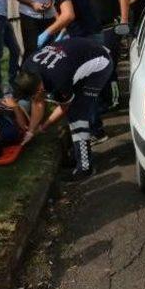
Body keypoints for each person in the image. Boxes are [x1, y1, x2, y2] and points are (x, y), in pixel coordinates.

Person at [13, 37, 113, 181]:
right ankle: (78, 154)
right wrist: (31, 131)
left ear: (40, 88)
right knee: (74, 107)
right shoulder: (28, 67)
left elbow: (64, 107)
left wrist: (45, 125)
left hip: (100, 63)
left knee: (77, 114)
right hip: (80, 51)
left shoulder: (58, 81)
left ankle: (85, 167)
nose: (34, 98)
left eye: (34, 95)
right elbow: (37, 102)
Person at [78, 0, 129, 118]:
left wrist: (124, 21)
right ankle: (103, 99)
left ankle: (114, 100)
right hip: (93, 32)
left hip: (110, 29)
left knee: (110, 65)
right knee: (97, 67)